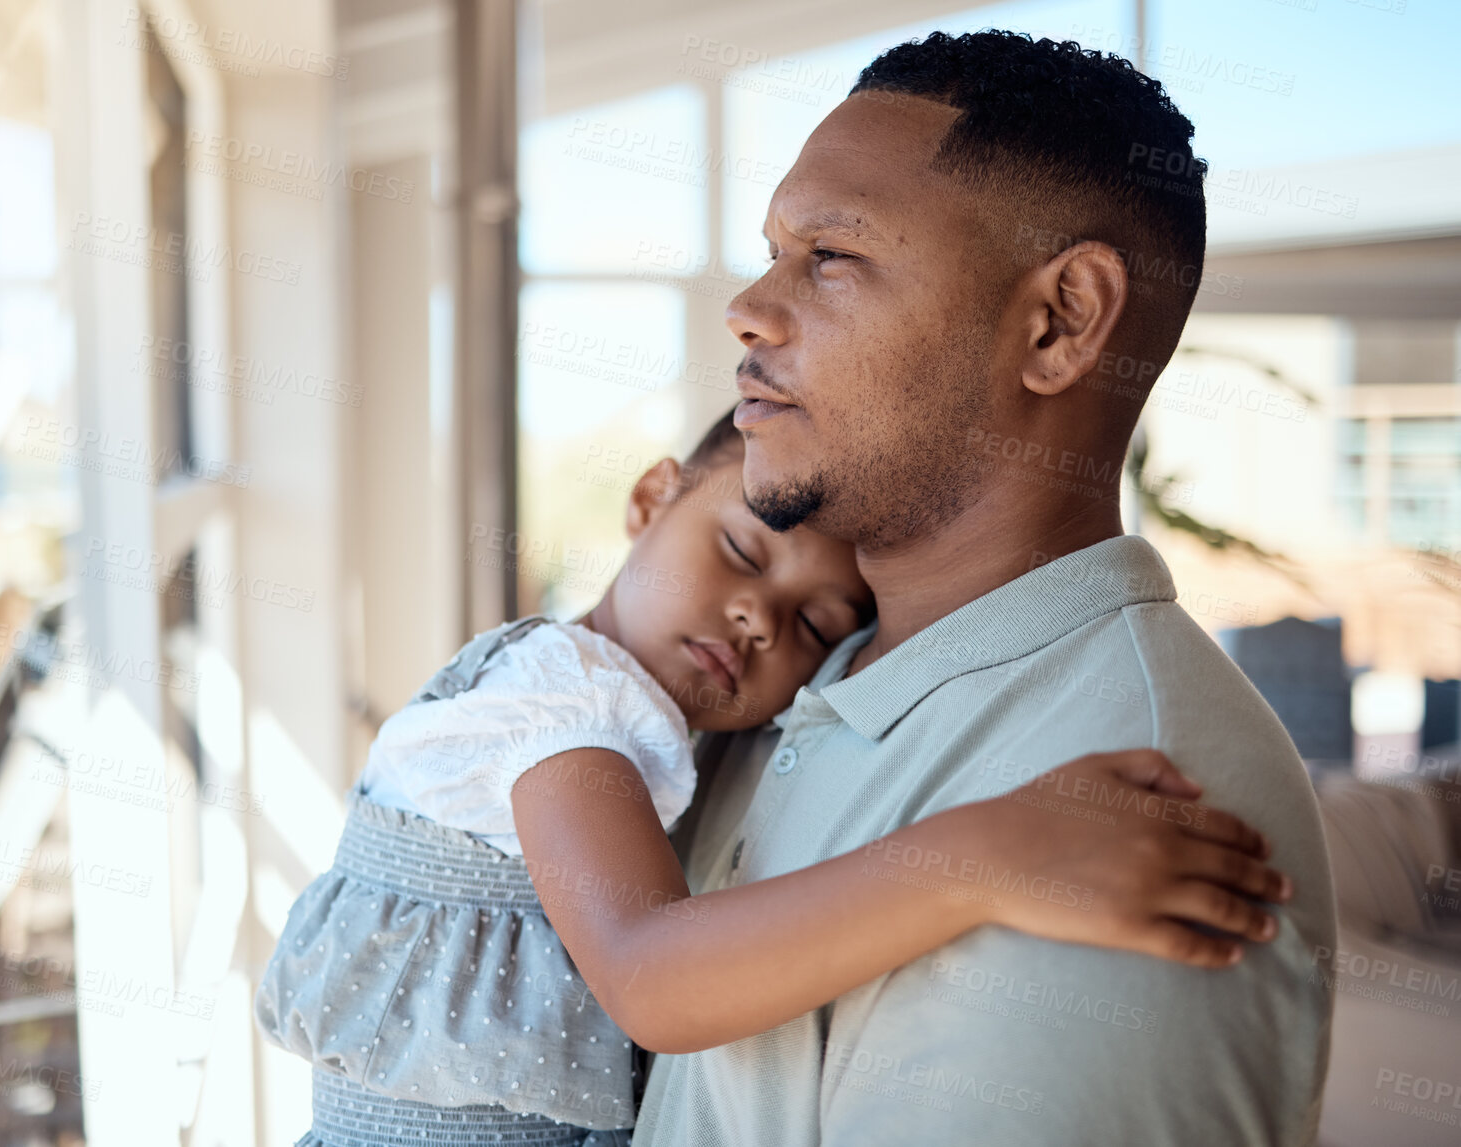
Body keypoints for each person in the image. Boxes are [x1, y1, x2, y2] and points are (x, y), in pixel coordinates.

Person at [631, 30, 1337, 1147]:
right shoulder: (784, 670)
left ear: (1057, 323)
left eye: (829, 257)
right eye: (770, 250)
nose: (749, 309)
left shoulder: (1137, 805)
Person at [256, 410, 1291, 1147]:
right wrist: (985, 855)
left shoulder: (626, 712)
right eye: (742, 551)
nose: (759, 617)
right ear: (650, 497)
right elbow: (651, 974)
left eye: (814, 626)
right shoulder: (566, 709)